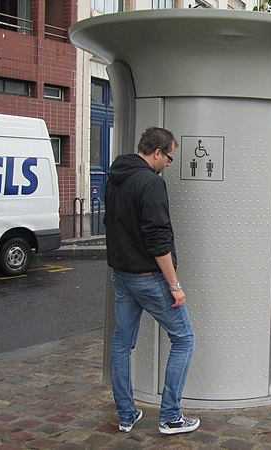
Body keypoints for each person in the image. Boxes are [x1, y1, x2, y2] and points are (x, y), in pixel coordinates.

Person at [104, 127, 199, 435]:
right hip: (148, 277)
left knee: (121, 344)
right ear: (157, 152)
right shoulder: (151, 183)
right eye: (170, 157)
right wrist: (174, 284)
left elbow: (113, 223)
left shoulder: (116, 177)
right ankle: (171, 416)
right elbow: (158, 240)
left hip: (121, 276)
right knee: (184, 339)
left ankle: (127, 414)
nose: (170, 163)